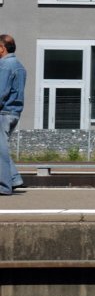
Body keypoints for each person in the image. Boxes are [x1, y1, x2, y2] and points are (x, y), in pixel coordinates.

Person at [0, 33, 26, 195]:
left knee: (0, 150)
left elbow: (1, 91)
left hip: (3, 112)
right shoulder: (19, 66)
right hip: (14, 112)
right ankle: (15, 178)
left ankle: (4, 186)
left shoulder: (4, 66)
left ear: (1, 48)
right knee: (2, 147)